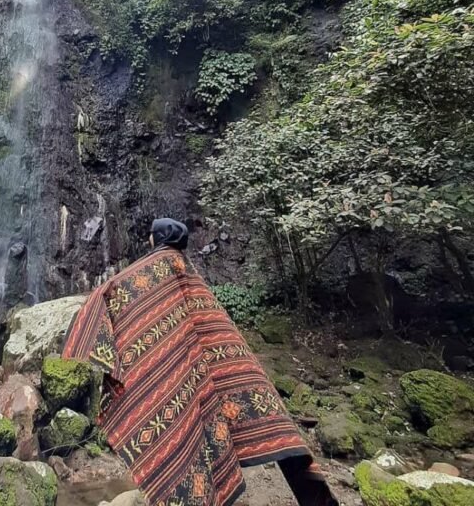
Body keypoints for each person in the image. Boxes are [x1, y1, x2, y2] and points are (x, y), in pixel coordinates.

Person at [63, 217, 338, 506]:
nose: (149, 241)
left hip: (184, 373)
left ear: (156, 239)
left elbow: (114, 290)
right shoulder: (188, 271)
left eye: (151, 237)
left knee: (187, 432)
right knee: (275, 428)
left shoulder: (155, 269)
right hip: (216, 368)